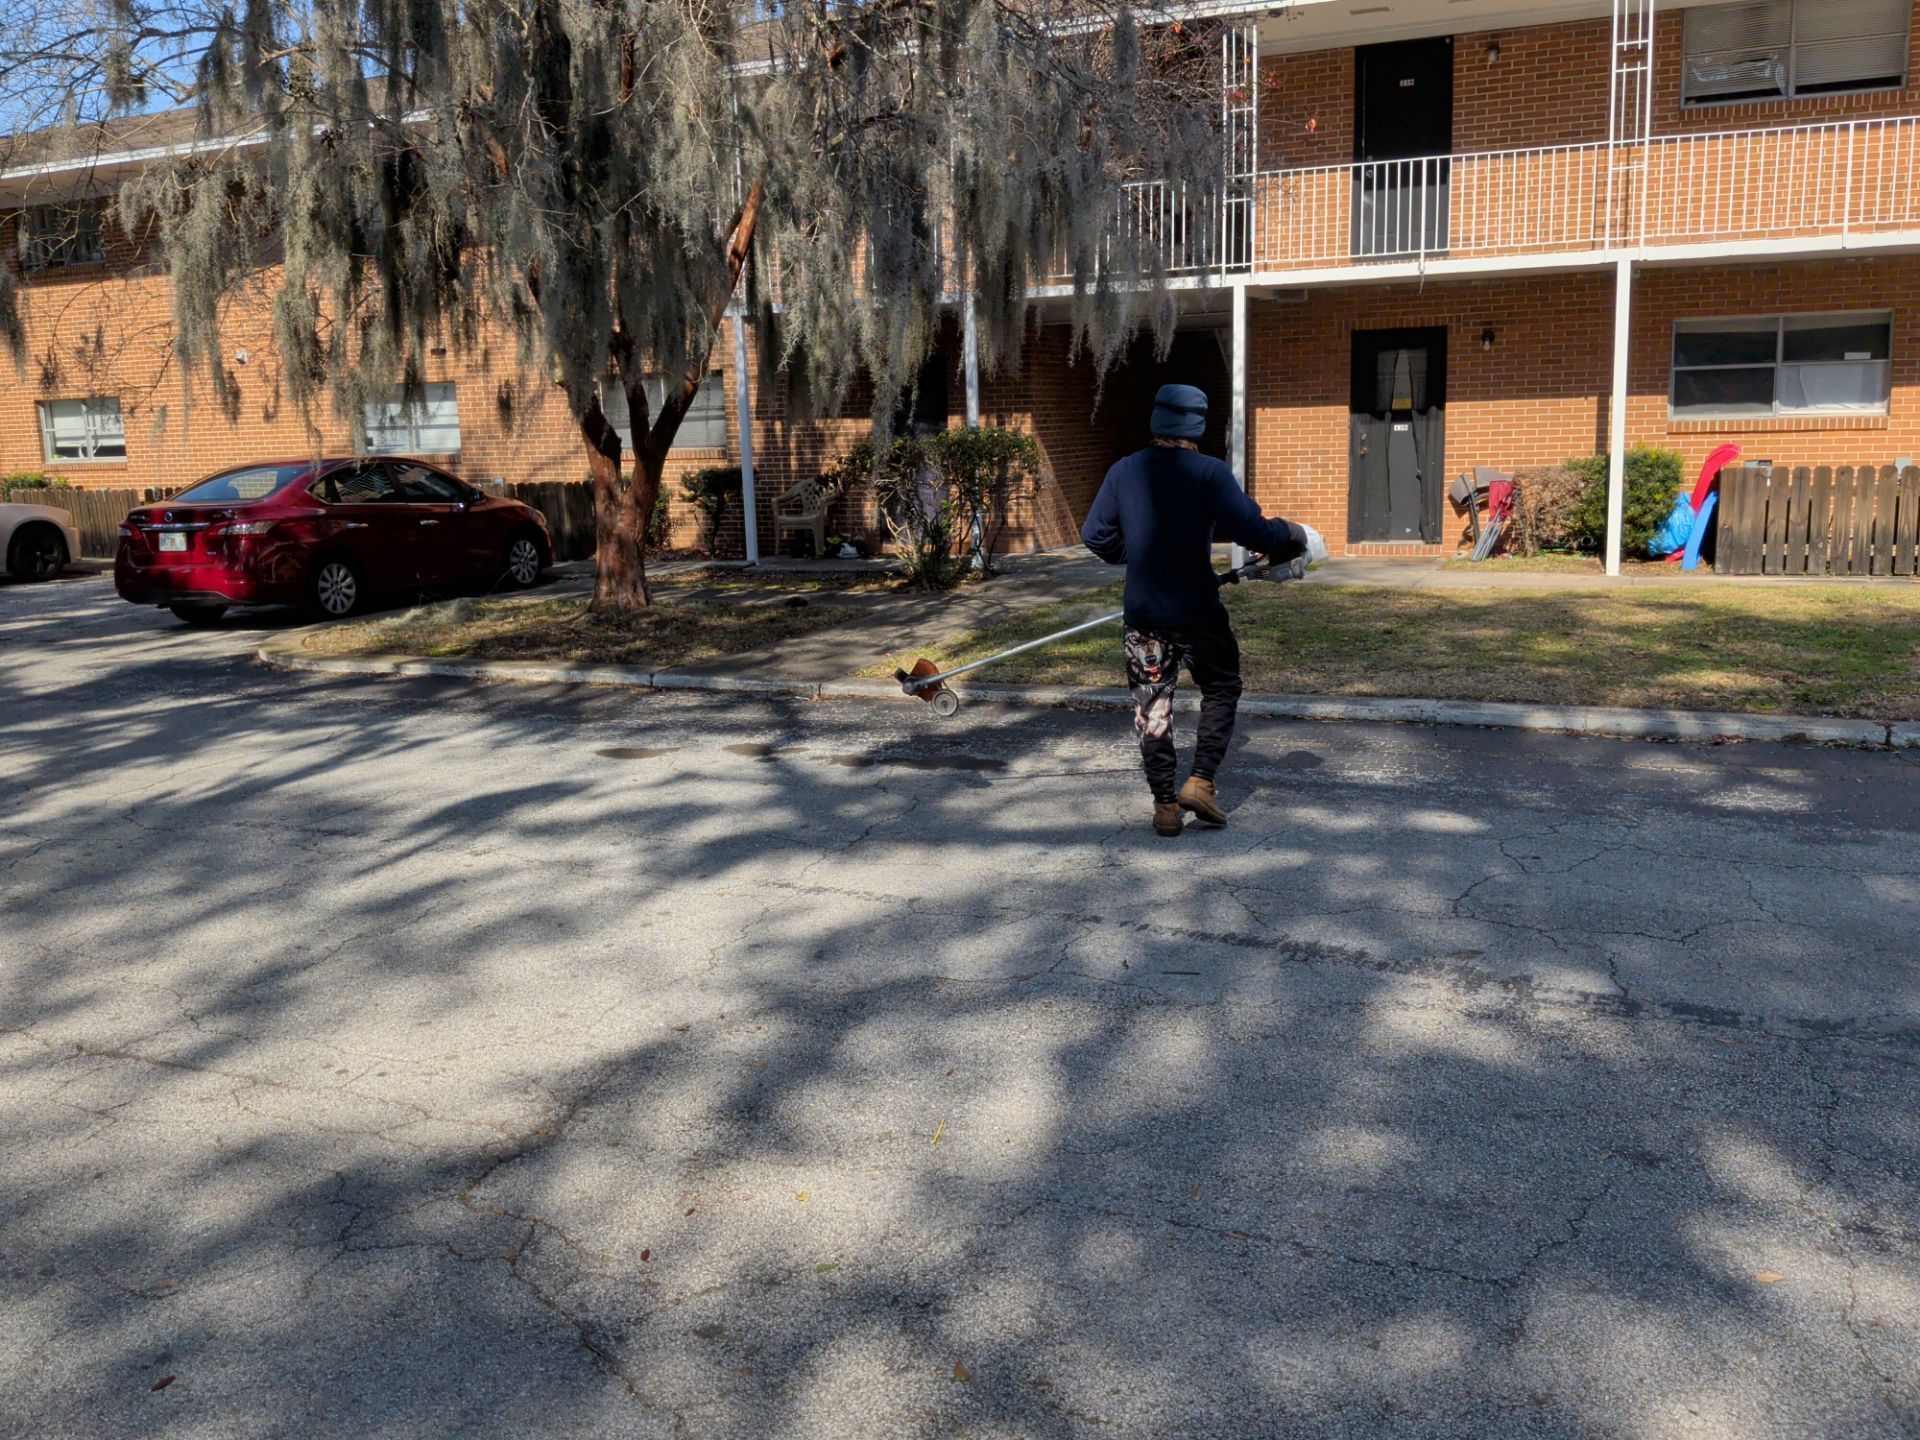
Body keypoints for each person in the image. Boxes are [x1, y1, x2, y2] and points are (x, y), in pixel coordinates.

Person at [1079, 383, 1315, 837]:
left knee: (1152, 707)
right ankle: (1201, 782)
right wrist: (1289, 531)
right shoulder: (1208, 473)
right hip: (1198, 611)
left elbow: (1095, 534)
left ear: (1157, 419)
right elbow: (1257, 533)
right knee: (1222, 685)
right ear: (1197, 424)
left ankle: (1165, 807)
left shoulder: (1125, 471)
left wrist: (1136, 555)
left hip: (1143, 615)